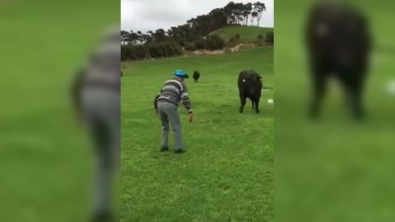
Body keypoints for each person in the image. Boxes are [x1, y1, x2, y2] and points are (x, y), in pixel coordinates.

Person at [71, 26, 120, 222]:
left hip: (89, 97)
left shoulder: (98, 52)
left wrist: (78, 109)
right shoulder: (117, 52)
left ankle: (100, 209)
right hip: (111, 97)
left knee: (101, 155)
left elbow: (78, 78)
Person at [153, 69, 193, 154]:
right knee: (176, 125)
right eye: (183, 78)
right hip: (170, 104)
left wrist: (156, 107)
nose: (184, 79)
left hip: (160, 102)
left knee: (164, 126)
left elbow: (157, 95)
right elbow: (185, 98)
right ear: (181, 78)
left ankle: (164, 146)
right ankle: (178, 148)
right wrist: (190, 110)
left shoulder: (167, 82)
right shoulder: (181, 84)